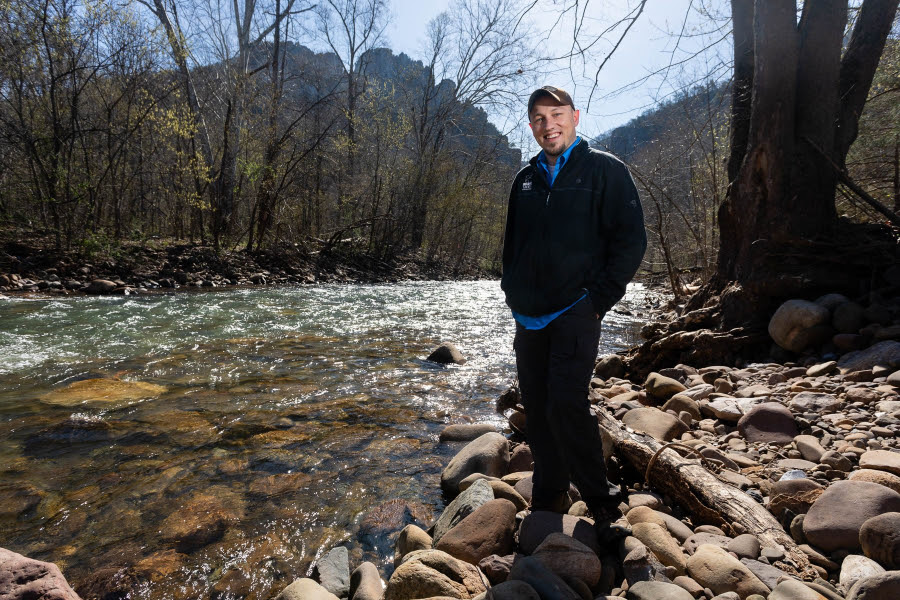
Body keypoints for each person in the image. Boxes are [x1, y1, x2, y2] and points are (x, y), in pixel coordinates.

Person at [501, 86, 647, 538]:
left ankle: (601, 502)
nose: (549, 125)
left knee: (567, 403)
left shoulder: (604, 170)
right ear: (531, 126)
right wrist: (512, 290)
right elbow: (513, 245)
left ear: (575, 117)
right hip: (528, 316)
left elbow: (631, 241)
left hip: (575, 311)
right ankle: (548, 495)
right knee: (538, 409)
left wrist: (596, 301)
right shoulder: (524, 179)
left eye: (557, 114)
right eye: (539, 118)